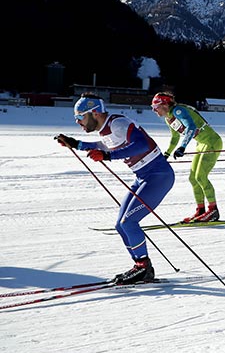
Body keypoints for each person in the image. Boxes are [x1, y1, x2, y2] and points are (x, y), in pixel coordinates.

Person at [55, 94, 175, 284]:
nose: (78, 122)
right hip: (142, 177)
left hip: (158, 176)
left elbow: (142, 144)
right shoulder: (105, 130)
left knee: (129, 222)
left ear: (94, 113)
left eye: (80, 117)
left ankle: (144, 268)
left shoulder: (118, 123)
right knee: (121, 225)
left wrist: (107, 156)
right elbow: (104, 146)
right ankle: (140, 266)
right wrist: (75, 143)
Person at [150, 92, 224, 223]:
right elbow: (175, 137)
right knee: (193, 178)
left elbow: (191, 126)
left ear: (165, 105)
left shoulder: (178, 111)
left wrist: (183, 147)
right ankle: (201, 210)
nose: (155, 111)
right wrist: (167, 153)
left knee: (201, 176)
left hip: (211, 142)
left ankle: (213, 210)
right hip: (202, 143)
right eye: (153, 108)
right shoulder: (169, 118)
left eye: (156, 107)